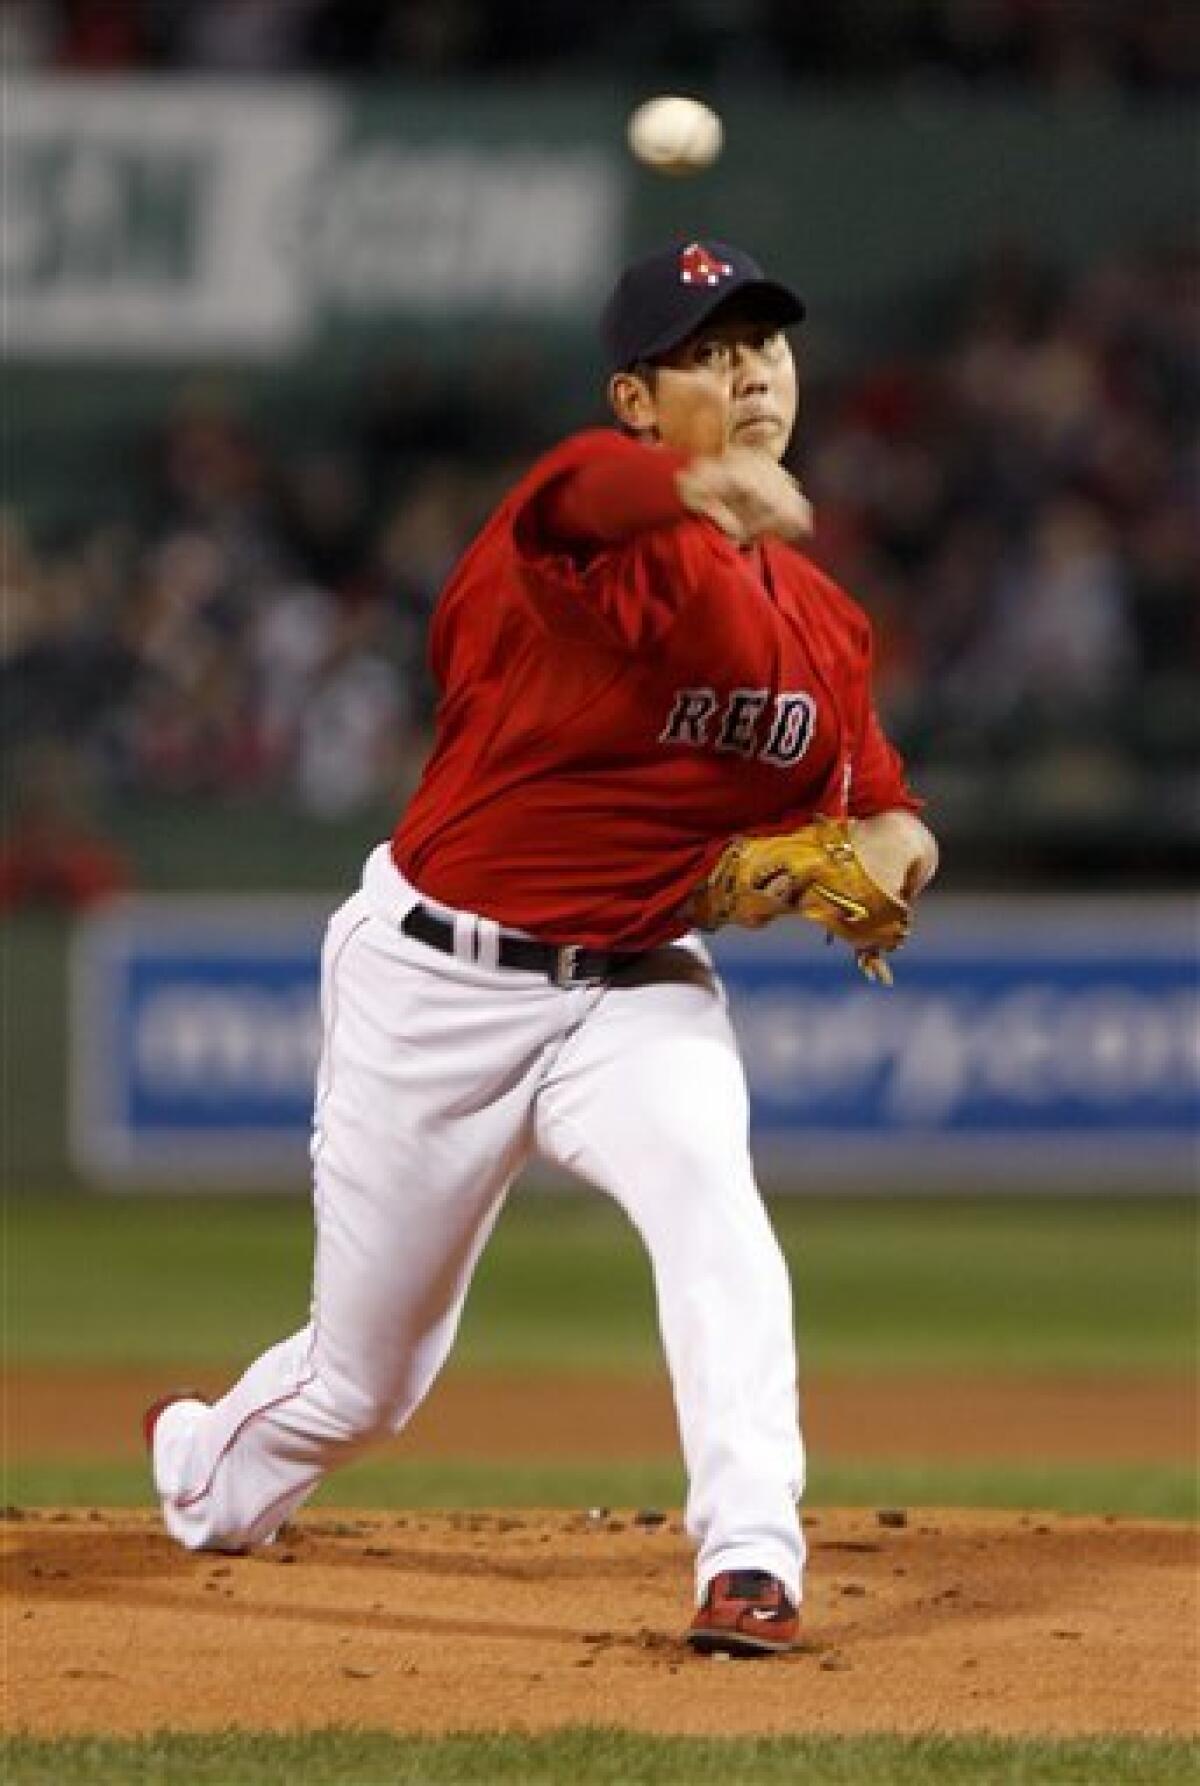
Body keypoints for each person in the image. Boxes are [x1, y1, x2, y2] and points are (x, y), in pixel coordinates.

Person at [145, 238, 938, 1657]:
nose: (749, 368)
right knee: (366, 1384)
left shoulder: (826, 626)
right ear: (634, 398)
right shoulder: (590, 532)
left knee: (714, 1202)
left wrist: (885, 858)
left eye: (766, 341)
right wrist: (692, 485)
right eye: (705, 352)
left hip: (637, 987)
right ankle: (209, 1469)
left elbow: (886, 815)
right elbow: (574, 494)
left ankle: (752, 1552)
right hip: (438, 979)